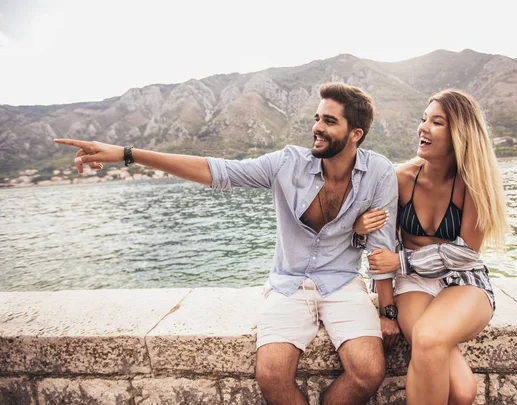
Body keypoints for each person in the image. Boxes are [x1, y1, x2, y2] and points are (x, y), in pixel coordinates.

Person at [55, 82, 400, 405]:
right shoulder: (287, 163)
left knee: (369, 372)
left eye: (329, 120)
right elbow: (218, 171)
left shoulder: (379, 174)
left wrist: (387, 312)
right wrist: (128, 153)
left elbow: (381, 248)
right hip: (288, 284)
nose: (317, 127)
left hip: (342, 283)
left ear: (356, 134)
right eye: (316, 118)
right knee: (271, 375)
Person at [353, 89, 509, 405]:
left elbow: (465, 253)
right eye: (424, 119)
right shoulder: (399, 179)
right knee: (461, 390)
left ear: (459, 135)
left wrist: (402, 260)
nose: (423, 128)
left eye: (437, 122)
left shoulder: (474, 184)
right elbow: (378, 248)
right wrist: (387, 309)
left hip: (464, 279)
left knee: (437, 352)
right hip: (412, 283)